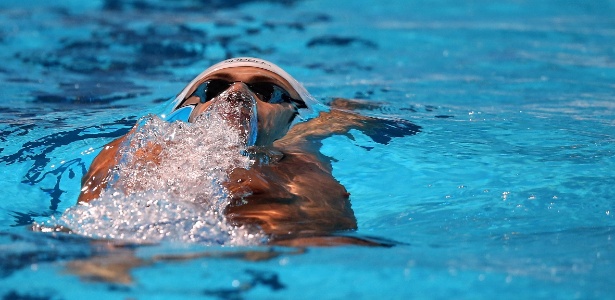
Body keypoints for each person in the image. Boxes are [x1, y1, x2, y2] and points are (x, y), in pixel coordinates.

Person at [78, 57, 419, 246]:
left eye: (265, 90)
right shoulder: (139, 145)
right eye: (216, 87)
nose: (238, 92)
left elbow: (327, 243)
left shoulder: (298, 162)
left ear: (291, 114)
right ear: (192, 107)